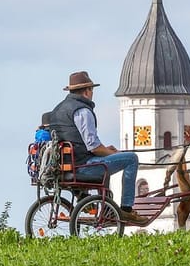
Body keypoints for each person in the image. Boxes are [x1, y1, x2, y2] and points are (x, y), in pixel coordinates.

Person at [43, 71, 143, 224]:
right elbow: (94, 147)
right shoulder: (82, 111)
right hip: (82, 166)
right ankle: (126, 209)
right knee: (131, 158)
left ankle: (104, 206)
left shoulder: (58, 109)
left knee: (108, 159)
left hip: (65, 166)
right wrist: (110, 152)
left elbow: (75, 139)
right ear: (87, 91)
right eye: (92, 90)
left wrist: (106, 151)